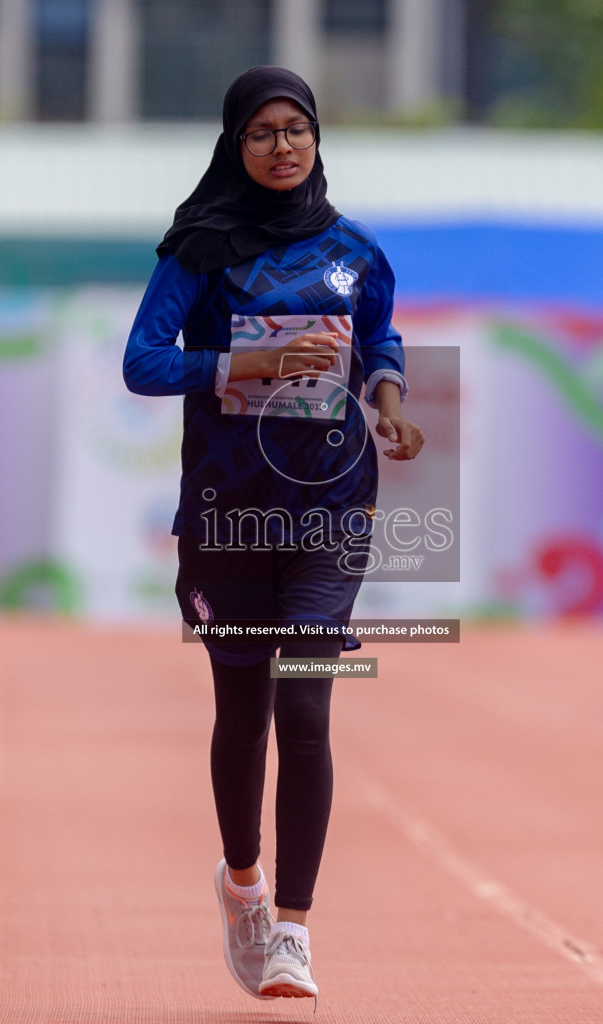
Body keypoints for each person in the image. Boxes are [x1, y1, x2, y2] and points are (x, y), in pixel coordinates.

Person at [122, 66, 424, 1002]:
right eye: (263, 132)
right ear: (234, 145)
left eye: (298, 129)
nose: (284, 146)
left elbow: (381, 340)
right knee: (244, 710)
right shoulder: (200, 252)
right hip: (230, 511)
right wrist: (244, 361)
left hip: (332, 509)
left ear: (319, 139)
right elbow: (142, 363)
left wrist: (389, 401)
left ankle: (292, 929)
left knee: (306, 704)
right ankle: (243, 885)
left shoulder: (356, 253)